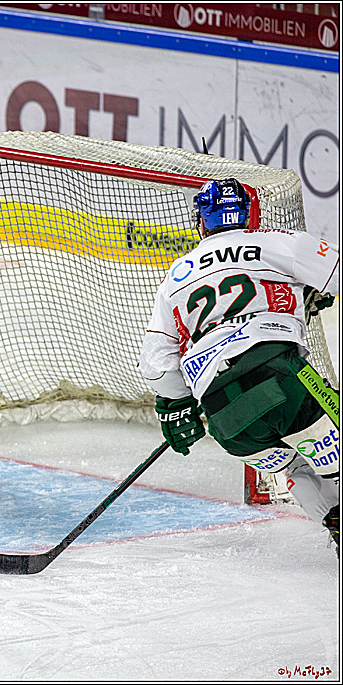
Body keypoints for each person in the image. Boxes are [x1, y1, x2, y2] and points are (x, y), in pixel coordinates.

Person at [138, 178, 339, 553]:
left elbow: (157, 365)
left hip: (225, 420)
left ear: (202, 222)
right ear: (250, 213)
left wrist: (175, 404)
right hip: (282, 380)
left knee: (296, 468)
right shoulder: (278, 242)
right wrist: (310, 290)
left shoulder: (176, 275)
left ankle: (335, 521)